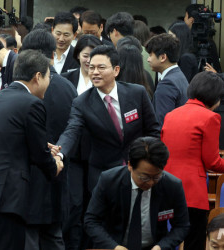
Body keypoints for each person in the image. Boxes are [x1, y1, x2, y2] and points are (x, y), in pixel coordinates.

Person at [0, 49, 62, 250]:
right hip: (5, 199)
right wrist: (54, 165)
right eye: (49, 77)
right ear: (38, 77)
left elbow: (3, 141)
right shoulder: (32, 103)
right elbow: (40, 156)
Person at [56, 45, 160, 193]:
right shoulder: (82, 103)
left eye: (101, 67)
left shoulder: (137, 93)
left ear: (116, 70)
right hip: (102, 174)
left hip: (139, 170)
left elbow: (153, 130)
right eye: (91, 68)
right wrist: (60, 153)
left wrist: (150, 160)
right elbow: (72, 131)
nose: (95, 72)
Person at [20, 29, 77, 250]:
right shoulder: (69, 88)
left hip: (27, 177)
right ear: (53, 55)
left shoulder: (23, 89)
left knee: (30, 238)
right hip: (59, 175)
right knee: (54, 236)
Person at [84, 136, 190, 250]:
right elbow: (91, 220)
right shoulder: (109, 181)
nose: (150, 182)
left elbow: (182, 226)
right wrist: (113, 246)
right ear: (130, 165)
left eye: (156, 177)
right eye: (144, 177)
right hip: (115, 245)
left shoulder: (172, 186)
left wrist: (161, 246)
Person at [161, 71, 224, 250]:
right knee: (194, 243)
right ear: (214, 97)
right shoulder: (211, 117)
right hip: (192, 192)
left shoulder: (171, 115)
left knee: (168, 241)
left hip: (166, 188)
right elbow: (213, 162)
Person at [61, 34, 102, 249]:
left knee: (93, 201)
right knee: (74, 202)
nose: (89, 61)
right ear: (78, 56)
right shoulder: (67, 78)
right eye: (86, 56)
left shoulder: (104, 82)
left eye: (94, 56)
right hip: (73, 152)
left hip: (97, 151)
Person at [145, 33, 189, 129]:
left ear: (163, 57)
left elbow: (162, 124)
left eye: (150, 55)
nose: (148, 59)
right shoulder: (179, 75)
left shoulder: (167, 84)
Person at [184, 4, 222, 73]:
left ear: (191, 20)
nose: (184, 20)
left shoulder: (187, 41)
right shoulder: (210, 43)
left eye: (185, 16)